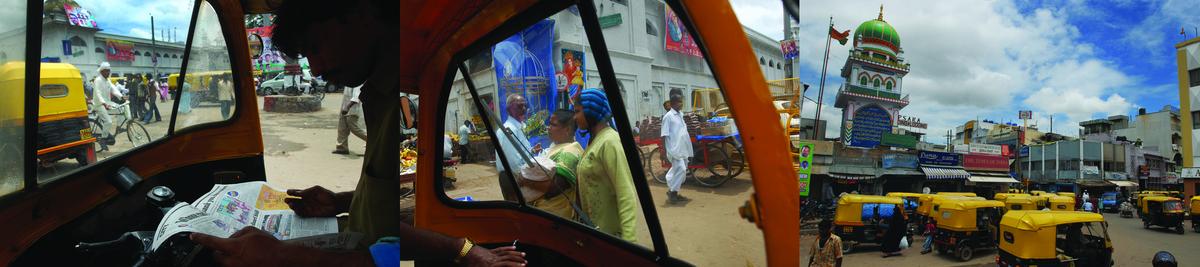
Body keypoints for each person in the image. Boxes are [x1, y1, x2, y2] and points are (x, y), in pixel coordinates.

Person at [187, 0, 526, 265]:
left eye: (317, 45)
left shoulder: (395, 98)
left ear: (361, 12)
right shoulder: (375, 94)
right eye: (308, 56)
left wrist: (283, 257)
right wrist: (343, 201)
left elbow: (387, 252)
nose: (317, 69)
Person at [573, 89, 639, 242]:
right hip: (594, 236)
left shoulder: (610, 142)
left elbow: (626, 194)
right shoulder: (594, 141)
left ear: (591, 111)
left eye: (577, 111)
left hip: (610, 239)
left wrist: (629, 243)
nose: (575, 117)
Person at [520, 110, 584, 219]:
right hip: (544, 213)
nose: (548, 127)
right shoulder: (555, 146)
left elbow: (555, 189)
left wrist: (525, 181)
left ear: (567, 130)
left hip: (555, 217)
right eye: (549, 124)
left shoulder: (570, 152)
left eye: (553, 125)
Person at [495, 94, 543, 201]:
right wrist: (527, 179)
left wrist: (532, 151)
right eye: (519, 106)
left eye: (525, 106)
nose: (524, 109)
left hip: (520, 176)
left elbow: (519, 152)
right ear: (509, 109)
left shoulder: (521, 126)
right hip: (513, 177)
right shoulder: (508, 130)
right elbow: (513, 163)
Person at [660, 94, 691, 204]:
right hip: (673, 148)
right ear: (673, 104)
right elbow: (663, 135)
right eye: (679, 102)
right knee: (681, 169)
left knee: (680, 170)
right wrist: (662, 151)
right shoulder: (668, 117)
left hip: (682, 148)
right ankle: (673, 193)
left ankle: (673, 191)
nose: (681, 104)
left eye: (681, 101)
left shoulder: (680, 114)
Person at [90, 62, 121, 152]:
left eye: (109, 71)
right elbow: (98, 93)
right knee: (108, 121)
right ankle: (103, 139)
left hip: (107, 102)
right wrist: (103, 103)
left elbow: (113, 89)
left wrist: (121, 96)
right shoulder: (98, 80)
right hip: (99, 104)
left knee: (121, 109)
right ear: (102, 71)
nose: (108, 73)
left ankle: (119, 127)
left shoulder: (108, 80)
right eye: (107, 71)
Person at [333, 85, 368, 154]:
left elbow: (356, 97)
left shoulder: (357, 82)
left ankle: (372, 140)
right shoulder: (349, 82)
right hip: (345, 106)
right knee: (342, 128)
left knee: (354, 128)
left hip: (352, 109)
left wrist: (347, 107)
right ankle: (342, 147)